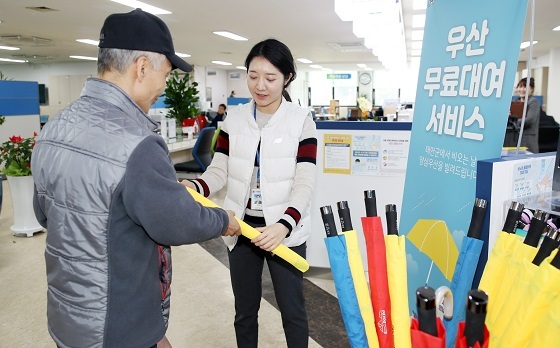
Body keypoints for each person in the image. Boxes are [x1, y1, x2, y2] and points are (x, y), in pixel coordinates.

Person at [31, 9, 241, 348]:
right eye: (167, 73)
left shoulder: (56, 126)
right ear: (142, 67)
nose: (165, 86)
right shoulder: (136, 142)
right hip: (115, 322)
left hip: (69, 314)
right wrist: (222, 220)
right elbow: (173, 221)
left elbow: (44, 212)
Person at [185, 38, 317, 347]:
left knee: (292, 311)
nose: (260, 85)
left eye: (270, 78)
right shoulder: (235, 119)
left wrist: (284, 225)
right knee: (245, 311)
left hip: (283, 231)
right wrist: (196, 186)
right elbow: (219, 169)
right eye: (253, 75)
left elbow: (305, 182)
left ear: (287, 78)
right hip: (240, 228)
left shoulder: (301, 122)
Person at [515, 77, 541, 153]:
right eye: (520, 87)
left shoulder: (533, 102)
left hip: (528, 141)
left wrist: (513, 121)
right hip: (514, 140)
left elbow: (530, 120)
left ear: (532, 89)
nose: (522, 90)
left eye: (525, 87)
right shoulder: (515, 102)